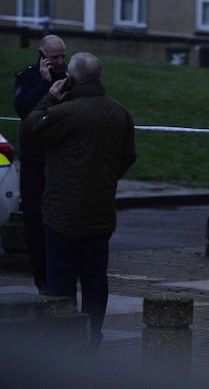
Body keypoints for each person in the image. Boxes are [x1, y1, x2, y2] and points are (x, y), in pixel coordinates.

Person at [22, 52, 137, 351]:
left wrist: (49, 97)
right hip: (100, 211)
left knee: (61, 280)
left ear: (70, 79)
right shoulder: (121, 114)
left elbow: (31, 128)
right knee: (95, 278)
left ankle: (64, 341)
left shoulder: (64, 112)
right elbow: (128, 157)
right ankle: (92, 335)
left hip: (63, 213)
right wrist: (107, 180)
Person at [13, 34, 68, 294]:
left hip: (59, 157)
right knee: (34, 219)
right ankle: (41, 278)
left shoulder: (70, 78)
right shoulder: (28, 77)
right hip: (35, 158)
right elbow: (22, 109)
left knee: (58, 217)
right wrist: (44, 85)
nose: (59, 62)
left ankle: (57, 276)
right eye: (54, 57)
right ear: (42, 55)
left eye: (62, 56)